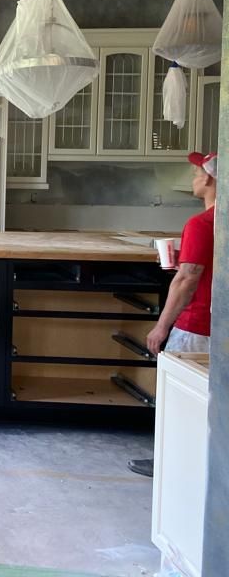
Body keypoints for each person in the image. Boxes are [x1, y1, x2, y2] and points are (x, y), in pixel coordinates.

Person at [128, 151, 216, 478]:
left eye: (196, 173)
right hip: (218, 325)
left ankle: (170, 464)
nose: (193, 179)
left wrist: (161, 328)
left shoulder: (201, 223)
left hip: (195, 327)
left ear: (208, 178)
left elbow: (187, 278)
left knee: (181, 403)